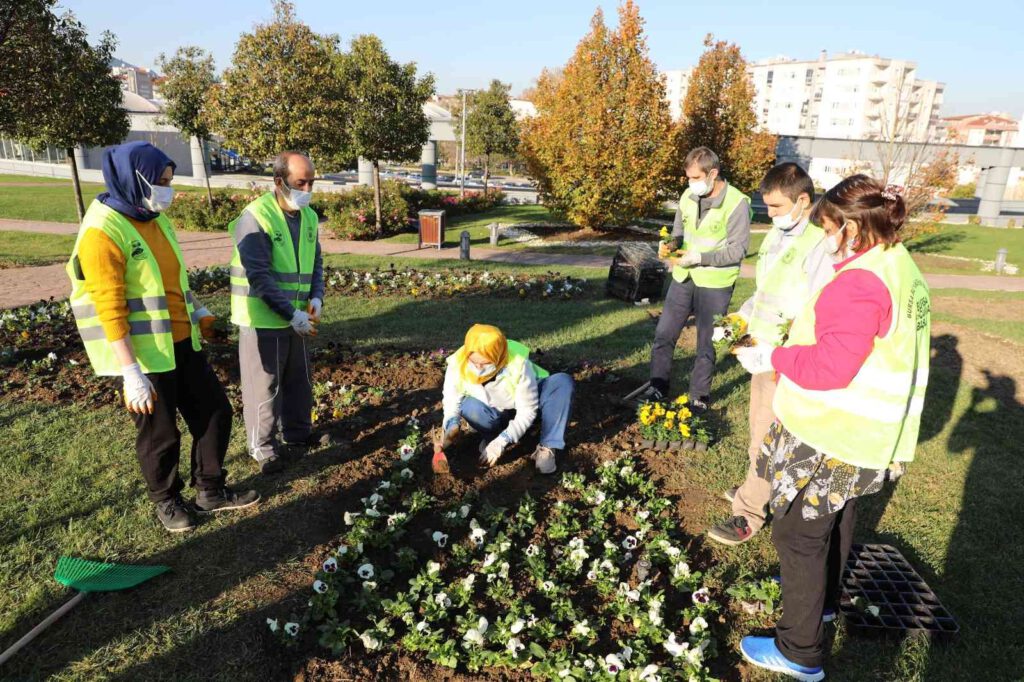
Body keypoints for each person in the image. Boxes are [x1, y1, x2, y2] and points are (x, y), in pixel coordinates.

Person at [734, 175, 931, 681]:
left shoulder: (859, 283)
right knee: (835, 519)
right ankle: (820, 607)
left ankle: (799, 651)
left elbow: (831, 367)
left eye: (828, 229)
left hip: (832, 430)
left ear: (850, 228)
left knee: (798, 533)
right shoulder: (898, 266)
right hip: (867, 434)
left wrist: (771, 356)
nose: (824, 240)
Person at [66, 141, 259, 533]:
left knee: (215, 411)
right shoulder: (102, 231)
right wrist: (129, 372)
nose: (168, 189)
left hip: (182, 340)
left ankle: (210, 490)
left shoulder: (153, 216)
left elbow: (172, 278)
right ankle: (167, 501)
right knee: (160, 433)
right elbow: (109, 307)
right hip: (144, 354)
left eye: (169, 180)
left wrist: (198, 310)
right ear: (135, 178)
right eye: (162, 181)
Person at [706, 163, 833, 546]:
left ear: (803, 201)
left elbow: (816, 310)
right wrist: (741, 319)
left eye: (777, 207)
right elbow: (768, 294)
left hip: (788, 360)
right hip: (764, 354)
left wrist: (777, 352)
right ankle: (756, 487)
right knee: (759, 430)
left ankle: (748, 513)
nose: (772, 215)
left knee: (769, 436)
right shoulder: (781, 240)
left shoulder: (820, 247)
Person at [229, 151, 325, 475]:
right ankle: (264, 449)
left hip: (298, 317)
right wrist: (291, 314)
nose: (308, 188)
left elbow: (316, 263)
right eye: (302, 182)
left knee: (300, 380)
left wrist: (317, 297)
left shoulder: (308, 216)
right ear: (279, 181)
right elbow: (259, 278)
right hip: (262, 318)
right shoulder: (255, 217)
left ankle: (298, 434)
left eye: (312, 181)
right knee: (264, 385)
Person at [635, 146, 751, 411]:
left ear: (713, 173)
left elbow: (737, 250)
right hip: (683, 277)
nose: (691, 184)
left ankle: (699, 396)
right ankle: (657, 386)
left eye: (696, 178)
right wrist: (670, 245)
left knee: (706, 343)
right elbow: (679, 232)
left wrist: (701, 257)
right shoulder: (688, 195)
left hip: (715, 283)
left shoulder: (737, 203)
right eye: (689, 178)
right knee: (664, 333)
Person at [439, 324, 574, 474]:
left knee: (561, 382)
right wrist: (451, 424)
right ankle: (491, 436)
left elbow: (527, 411)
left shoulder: (517, 363)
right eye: (474, 362)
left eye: (485, 363)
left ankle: (547, 446)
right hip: (496, 411)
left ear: (497, 357)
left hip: (532, 407)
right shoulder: (458, 363)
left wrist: (502, 441)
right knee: (469, 406)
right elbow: (451, 400)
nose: (478, 368)